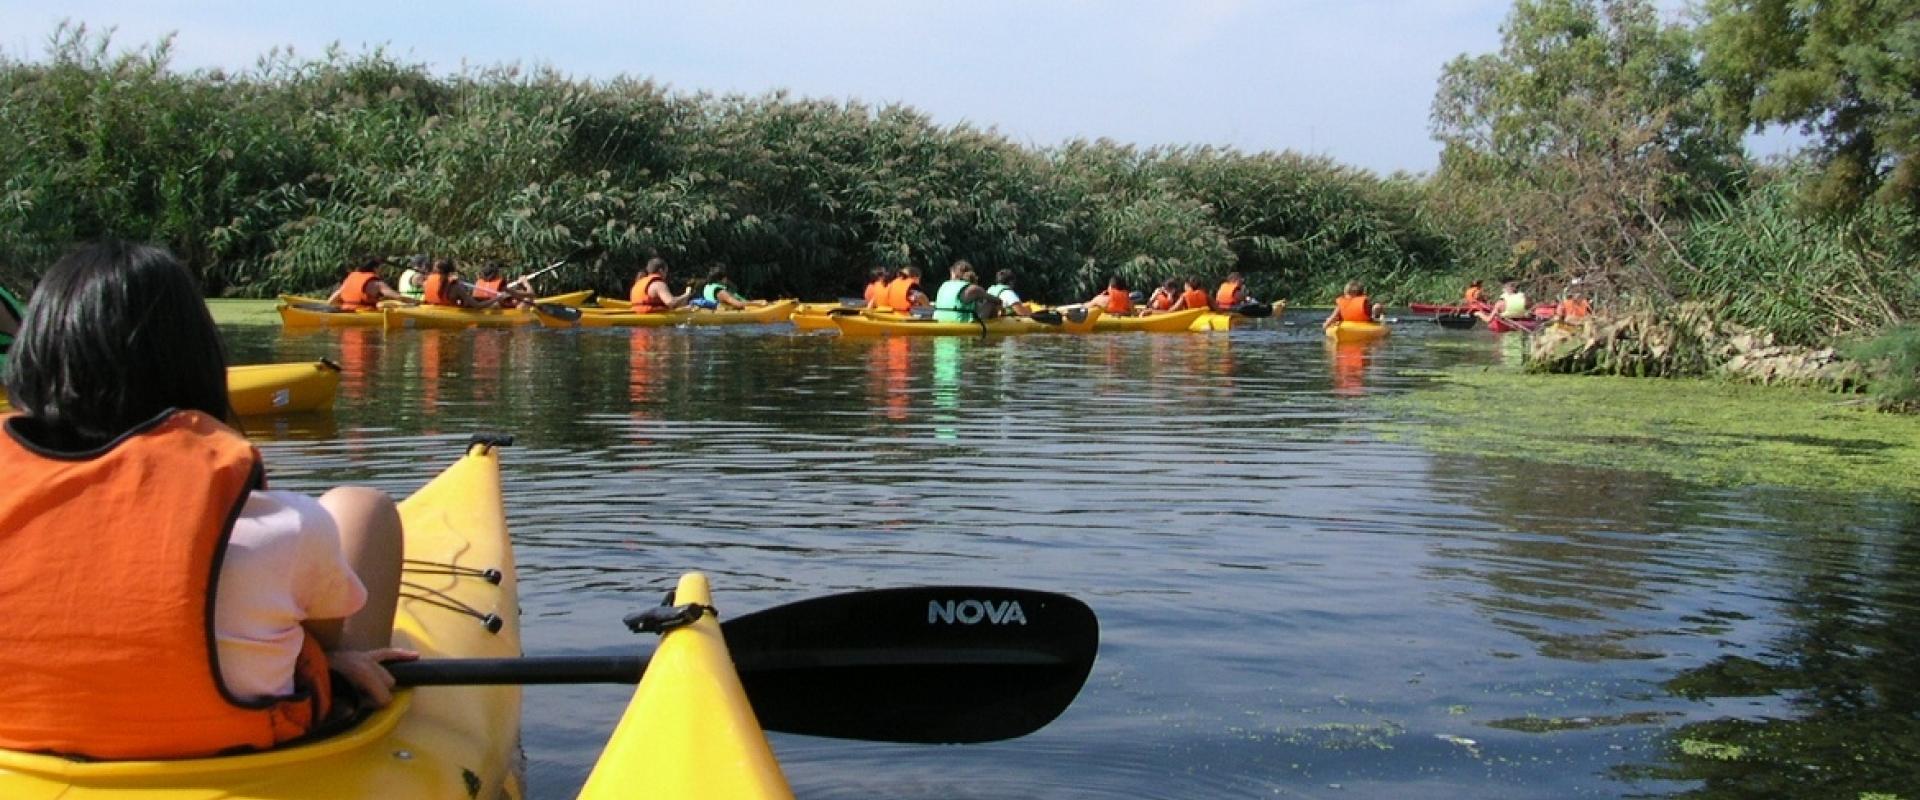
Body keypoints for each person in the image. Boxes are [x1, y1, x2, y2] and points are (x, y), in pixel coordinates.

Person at [0, 241, 414, 760]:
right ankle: (361, 678)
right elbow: (322, 631)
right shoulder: (286, 529)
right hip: (237, 755)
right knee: (362, 506)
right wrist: (330, 661)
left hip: (25, 758)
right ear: (198, 359)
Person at [326, 256, 414, 310]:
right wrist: (415, 302)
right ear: (375, 268)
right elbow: (398, 297)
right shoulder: (376, 283)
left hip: (346, 310)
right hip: (364, 311)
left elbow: (334, 297)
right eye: (381, 268)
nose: (382, 270)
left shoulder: (352, 276)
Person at [931, 260, 1003, 323]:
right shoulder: (974, 288)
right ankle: (994, 325)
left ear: (953, 273)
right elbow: (998, 301)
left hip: (939, 320)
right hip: (959, 323)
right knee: (992, 302)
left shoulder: (944, 284)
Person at [422, 259, 497, 309]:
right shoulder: (456, 287)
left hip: (430, 309)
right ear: (450, 272)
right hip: (450, 314)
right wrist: (498, 298)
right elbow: (477, 306)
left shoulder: (426, 281)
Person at [470, 261, 535, 309]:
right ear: (497, 274)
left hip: (481, 310)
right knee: (528, 299)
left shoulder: (478, 283)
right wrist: (526, 282)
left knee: (513, 300)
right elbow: (531, 294)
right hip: (496, 311)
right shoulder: (501, 287)